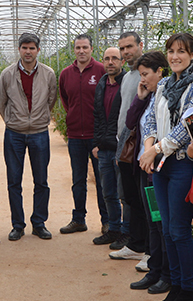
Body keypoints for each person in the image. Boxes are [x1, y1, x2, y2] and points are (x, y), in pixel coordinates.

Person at [139, 33, 193, 301]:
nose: (175, 56)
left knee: (179, 230)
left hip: (183, 163)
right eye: (171, 51)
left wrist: (156, 149)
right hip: (161, 164)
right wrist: (149, 148)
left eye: (181, 51)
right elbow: (148, 116)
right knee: (166, 228)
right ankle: (174, 286)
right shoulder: (163, 85)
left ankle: (188, 290)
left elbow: (187, 124)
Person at [0, 32, 58, 241]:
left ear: (38, 50)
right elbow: (1, 103)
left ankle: (39, 223)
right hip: (14, 133)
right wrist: (13, 121)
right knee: (14, 181)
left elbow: (52, 99)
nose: (28, 51)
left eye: (32, 48)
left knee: (41, 180)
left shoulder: (48, 74)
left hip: (39, 133)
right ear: (19, 49)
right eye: (24, 47)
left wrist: (39, 119)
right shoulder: (7, 74)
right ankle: (18, 225)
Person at [126, 51, 172, 294]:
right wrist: (140, 97)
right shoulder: (150, 97)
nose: (142, 79)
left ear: (160, 72)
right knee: (152, 221)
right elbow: (130, 122)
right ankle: (154, 270)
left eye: (145, 74)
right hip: (145, 167)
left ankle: (165, 273)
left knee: (161, 222)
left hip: (159, 169)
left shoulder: (166, 97)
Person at [58, 34, 108, 241]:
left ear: (91, 49)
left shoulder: (101, 71)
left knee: (102, 179)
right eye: (78, 47)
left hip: (96, 136)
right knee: (78, 179)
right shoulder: (66, 74)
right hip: (75, 136)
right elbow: (65, 100)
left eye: (85, 47)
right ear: (74, 49)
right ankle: (79, 219)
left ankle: (107, 221)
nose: (81, 51)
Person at [113, 32, 155, 276]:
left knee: (144, 198)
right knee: (130, 196)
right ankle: (137, 245)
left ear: (141, 45)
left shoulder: (147, 75)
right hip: (125, 143)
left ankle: (150, 251)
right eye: (122, 48)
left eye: (130, 46)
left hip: (142, 145)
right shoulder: (128, 77)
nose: (126, 51)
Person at [91, 47, 125, 247]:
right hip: (103, 148)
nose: (110, 62)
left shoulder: (128, 83)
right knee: (108, 192)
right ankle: (113, 229)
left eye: (114, 58)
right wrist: (96, 143)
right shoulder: (101, 84)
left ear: (121, 61)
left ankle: (126, 233)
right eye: (107, 59)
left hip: (121, 149)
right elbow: (97, 116)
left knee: (124, 194)